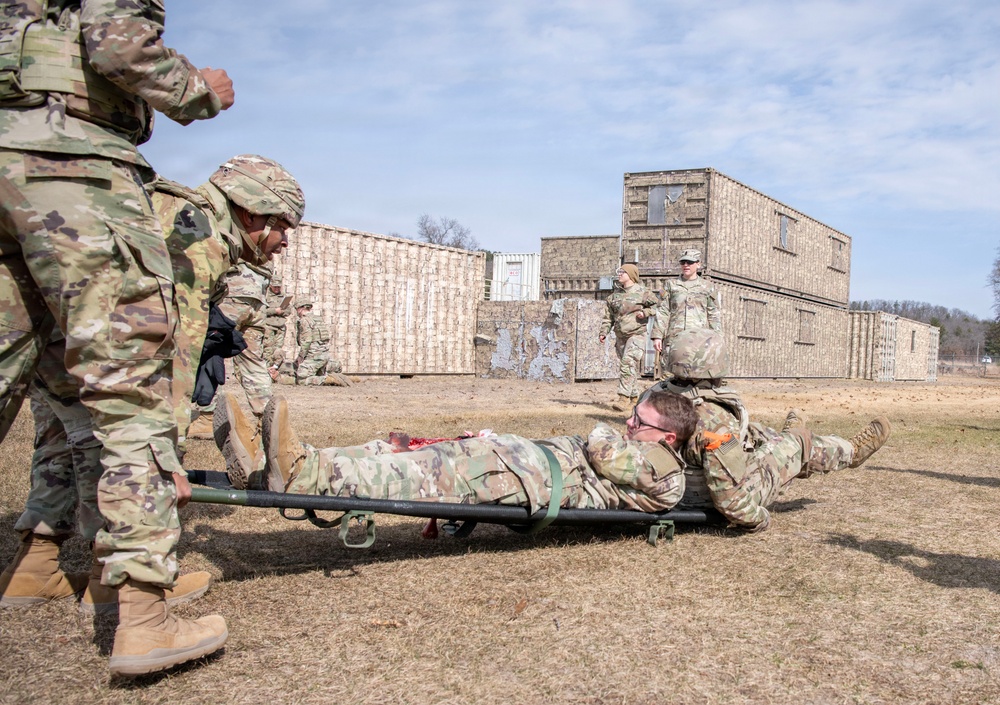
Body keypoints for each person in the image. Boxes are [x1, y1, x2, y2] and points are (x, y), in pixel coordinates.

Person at [0, 0, 235, 676]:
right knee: (130, 392)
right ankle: (140, 613)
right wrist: (201, 91)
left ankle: (62, 568)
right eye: (278, 228)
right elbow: (116, 47)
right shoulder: (200, 228)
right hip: (67, 164)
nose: (280, 247)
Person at [213, 387, 699, 515]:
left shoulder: (666, 472)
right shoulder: (646, 449)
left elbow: (603, 450)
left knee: (419, 473)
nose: (628, 422)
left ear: (668, 437)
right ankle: (269, 466)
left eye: (641, 421)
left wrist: (601, 429)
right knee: (395, 450)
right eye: (631, 414)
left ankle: (302, 475)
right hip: (523, 462)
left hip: (533, 479)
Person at [643, 329, 891, 532]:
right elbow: (730, 500)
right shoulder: (713, 421)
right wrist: (757, 519)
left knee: (756, 433)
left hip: (671, 491)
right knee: (798, 443)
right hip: (704, 501)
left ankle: (783, 439)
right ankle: (849, 452)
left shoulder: (652, 398)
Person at [651, 249, 722, 379]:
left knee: (695, 374)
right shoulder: (670, 285)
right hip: (674, 337)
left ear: (698, 264)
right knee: (669, 374)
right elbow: (662, 311)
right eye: (683, 262)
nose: (686, 265)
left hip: (697, 339)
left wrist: (717, 338)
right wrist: (657, 336)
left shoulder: (708, 287)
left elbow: (714, 314)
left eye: (690, 262)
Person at [598, 264, 660, 410]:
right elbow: (608, 318)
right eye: (618, 271)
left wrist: (645, 313)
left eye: (622, 272)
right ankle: (634, 397)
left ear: (631, 275)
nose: (619, 274)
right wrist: (603, 332)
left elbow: (659, 307)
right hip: (621, 336)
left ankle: (623, 398)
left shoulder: (643, 292)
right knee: (629, 367)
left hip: (637, 334)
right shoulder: (613, 296)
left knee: (627, 362)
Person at [294, 299, 351, 386]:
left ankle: (328, 379)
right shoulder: (318, 319)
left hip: (314, 356)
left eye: (297, 309)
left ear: (301, 308)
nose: (297, 312)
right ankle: (333, 367)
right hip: (324, 355)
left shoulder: (304, 321)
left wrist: (300, 357)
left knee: (301, 379)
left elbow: (307, 341)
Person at [262, 275, 294, 381]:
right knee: (268, 350)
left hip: (280, 326)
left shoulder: (283, 297)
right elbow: (262, 311)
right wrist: (274, 311)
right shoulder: (265, 295)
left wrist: (282, 311)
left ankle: (274, 370)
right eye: (275, 287)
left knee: (278, 350)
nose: (277, 289)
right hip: (269, 326)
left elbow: (288, 311)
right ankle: (266, 372)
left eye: (278, 287)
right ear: (270, 286)